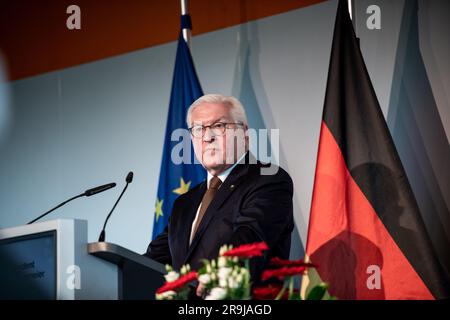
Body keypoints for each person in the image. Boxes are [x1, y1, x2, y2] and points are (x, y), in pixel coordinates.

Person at [145, 94, 294, 283]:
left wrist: (213, 280)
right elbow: (152, 261)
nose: (207, 137)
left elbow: (249, 242)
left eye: (219, 126)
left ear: (245, 135)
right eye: (198, 129)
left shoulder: (268, 181)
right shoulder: (185, 202)